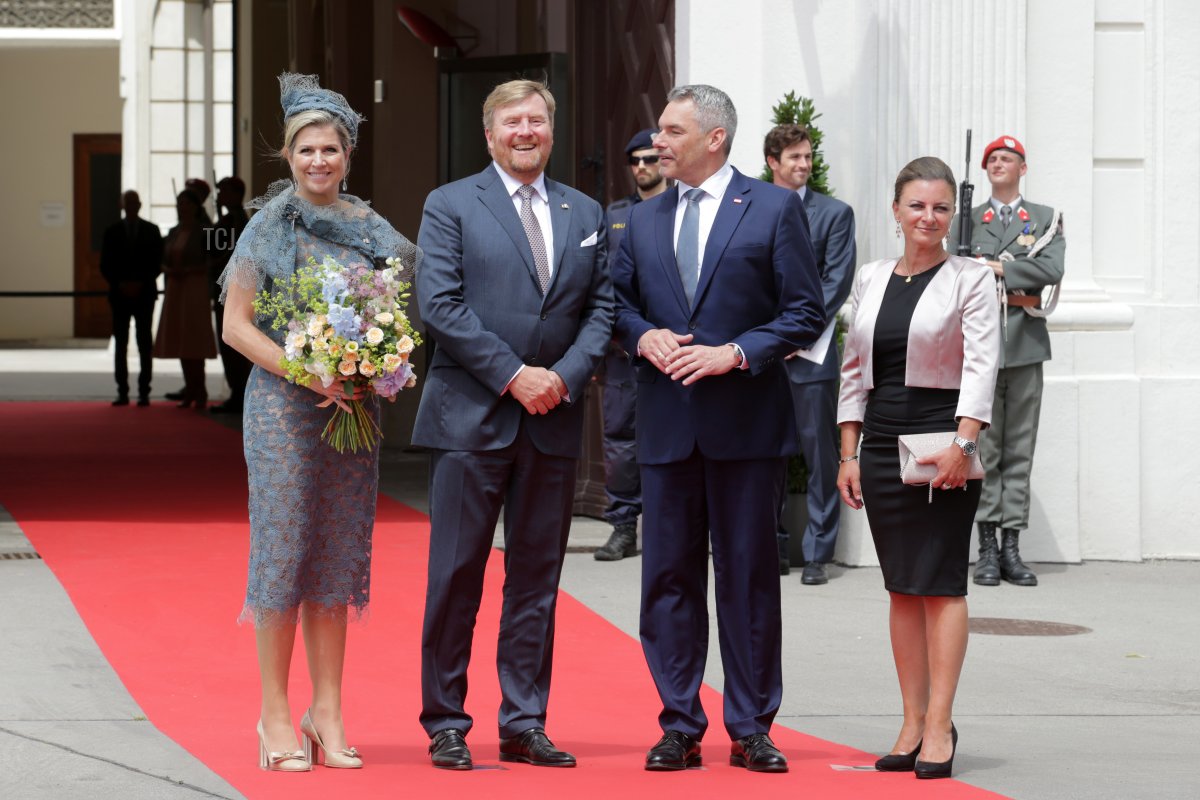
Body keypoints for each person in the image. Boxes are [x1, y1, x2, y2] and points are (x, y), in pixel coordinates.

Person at [612, 84, 825, 773]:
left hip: (747, 428)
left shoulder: (772, 208)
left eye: (672, 132)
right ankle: (679, 722)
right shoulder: (643, 221)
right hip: (669, 428)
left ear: (714, 138)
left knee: (749, 579)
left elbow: (803, 312)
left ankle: (751, 725)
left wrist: (735, 353)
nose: (657, 144)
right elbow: (615, 303)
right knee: (668, 582)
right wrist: (643, 337)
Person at [220, 73, 420, 772]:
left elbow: (393, 311)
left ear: (348, 153)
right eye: (306, 149)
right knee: (283, 554)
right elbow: (236, 326)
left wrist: (371, 365)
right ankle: (275, 711)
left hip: (351, 411)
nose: (318, 161)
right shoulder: (269, 225)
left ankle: (326, 709)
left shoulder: (372, 229)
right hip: (282, 410)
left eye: (330, 148)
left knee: (336, 555)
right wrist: (306, 370)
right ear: (288, 154)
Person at [412, 79, 612, 770]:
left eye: (537, 121)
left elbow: (602, 310)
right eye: (512, 122)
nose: (525, 132)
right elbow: (438, 303)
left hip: (552, 418)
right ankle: (446, 719)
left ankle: (524, 720)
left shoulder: (583, 210)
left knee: (536, 581)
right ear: (489, 133)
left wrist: (564, 375)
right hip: (471, 419)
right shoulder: (450, 204)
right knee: (456, 577)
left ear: (550, 131)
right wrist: (512, 375)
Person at [836, 157, 1000, 779]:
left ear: (949, 215)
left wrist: (964, 443)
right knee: (902, 585)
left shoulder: (970, 279)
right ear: (896, 210)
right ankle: (910, 719)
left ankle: (939, 724)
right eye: (917, 206)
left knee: (940, 584)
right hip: (879, 442)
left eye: (939, 208)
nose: (928, 217)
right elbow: (853, 370)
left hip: (941, 443)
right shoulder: (872, 277)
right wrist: (848, 453)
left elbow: (982, 364)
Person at [952, 135, 1065, 587]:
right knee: (983, 449)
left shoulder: (1044, 219)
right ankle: (986, 549)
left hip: (1023, 343)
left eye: (1007, 158)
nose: (998, 164)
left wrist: (997, 267)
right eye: (992, 159)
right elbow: (956, 268)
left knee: (1019, 449)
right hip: (980, 346)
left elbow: (1051, 270)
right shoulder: (968, 219)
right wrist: (1001, 266)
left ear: (1023, 167)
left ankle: (1012, 548)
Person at [763, 123, 857, 583]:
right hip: (764, 357)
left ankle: (818, 553)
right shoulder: (753, 208)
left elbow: (835, 282)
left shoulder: (835, 214)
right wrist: (764, 340)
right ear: (772, 163)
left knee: (821, 454)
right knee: (766, 453)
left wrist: (795, 337)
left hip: (813, 354)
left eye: (807, 156)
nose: (803, 165)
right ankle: (774, 547)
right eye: (794, 158)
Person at [593, 128, 669, 562]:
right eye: (635, 161)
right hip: (624, 352)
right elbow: (603, 280)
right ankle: (623, 526)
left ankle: (664, 527)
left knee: (672, 438)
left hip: (674, 349)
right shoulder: (614, 215)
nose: (642, 167)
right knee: (620, 441)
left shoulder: (680, 210)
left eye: (650, 159)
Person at [153, 189, 217, 408]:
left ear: (195, 206)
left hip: (195, 288)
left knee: (194, 339)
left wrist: (190, 269)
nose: (182, 207)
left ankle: (200, 390)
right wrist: (168, 269)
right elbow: (161, 259)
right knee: (181, 338)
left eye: (186, 203)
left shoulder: (205, 231)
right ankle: (189, 389)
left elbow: (215, 261)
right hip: (176, 288)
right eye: (179, 203)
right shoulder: (172, 231)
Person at [99, 190, 163, 407]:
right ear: (122, 205)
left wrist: (140, 283)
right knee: (121, 344)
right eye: (129, 202)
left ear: (140, 204)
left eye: (135, 202)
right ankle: (122, 391)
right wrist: (121, 284)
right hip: (119, 294)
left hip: (144, 293)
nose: (132, 206)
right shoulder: (111, 231)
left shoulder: (152, 230)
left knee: (145, 343)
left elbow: (157, 262)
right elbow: (105, 264)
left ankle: (144, 391)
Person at [208, 176, 252, 414]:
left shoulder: (236, 220)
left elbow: (231, 253)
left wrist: (214, 262)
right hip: (226, 287)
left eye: (223, 191)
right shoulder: (231, 218)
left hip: (231, 288)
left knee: (232, 345)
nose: (219, 196)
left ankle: (239, 393)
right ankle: (236, 391)